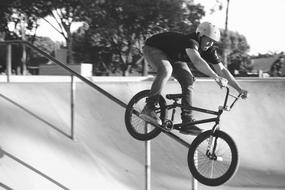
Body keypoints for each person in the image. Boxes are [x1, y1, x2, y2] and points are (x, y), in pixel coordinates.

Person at [140, 22, 248, 135]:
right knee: (166, 70)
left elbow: (223, 70)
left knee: (188, 80)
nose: (210, 44)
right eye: (208, 40)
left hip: (173, 57)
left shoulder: (209, 49)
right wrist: (216, 77)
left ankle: (187, 122)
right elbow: (197, 61)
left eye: (213, 42)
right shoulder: (191, 42)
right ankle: (149, 107)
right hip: (153, 48)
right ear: (200, 36)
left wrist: (239, 89)